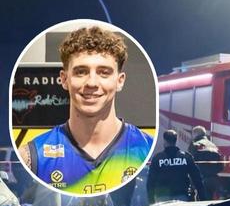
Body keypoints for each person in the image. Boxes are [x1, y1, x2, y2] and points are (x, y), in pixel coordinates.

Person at [17, 26, 152, 195]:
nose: (92, 83)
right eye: (81, 72)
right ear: (64, 79)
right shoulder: (30, 157)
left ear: (120, 81)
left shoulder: (147, 150)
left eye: (104, 72)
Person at [147, 130, 207, 203]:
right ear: (176, 141)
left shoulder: (157, 158)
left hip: (162, 198)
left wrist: (151, 201)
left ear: (165, 141)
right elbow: (197, 178)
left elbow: (150, 181)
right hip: (182, 196)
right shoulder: (186, 157)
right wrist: (202, 198)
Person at [188, 126, 223, 199]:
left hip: (202, 180)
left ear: (195, 134)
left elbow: (190, 164)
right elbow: (221, 166)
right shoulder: (213, 146)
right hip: (214, 180)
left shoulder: (195, 145)